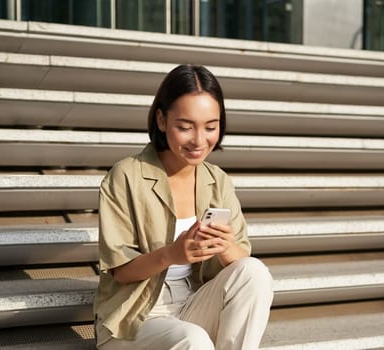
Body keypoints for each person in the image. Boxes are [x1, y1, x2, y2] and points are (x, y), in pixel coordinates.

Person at [94, 64, 274, 350]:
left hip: (193, 303)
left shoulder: (218, 181)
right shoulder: (126, 175)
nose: (199, 140)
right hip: (134, 317)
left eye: (211, 127)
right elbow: (121, 271)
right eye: (185, 127)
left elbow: (241, 260)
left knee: (254, 272)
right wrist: (172, 254)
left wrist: (224, 246)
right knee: (194, 340)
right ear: (162, 120)